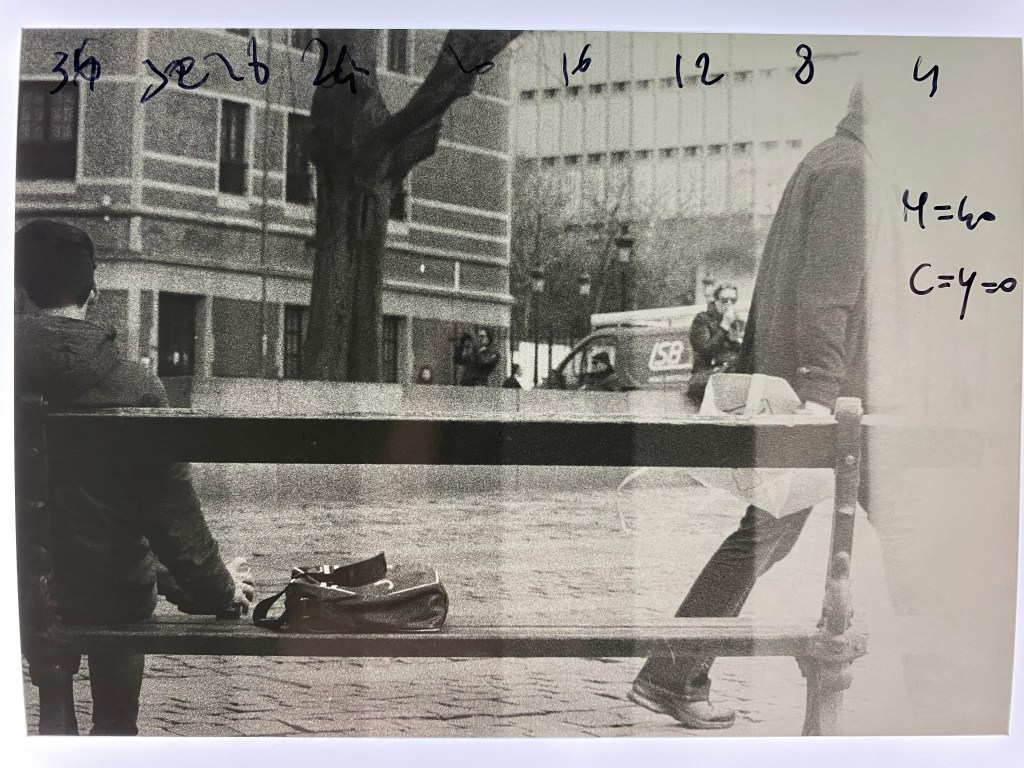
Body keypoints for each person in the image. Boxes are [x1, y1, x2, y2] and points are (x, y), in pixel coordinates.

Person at [629, 84, 910, 729]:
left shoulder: (829, 161)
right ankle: (946, 681)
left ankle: (671, 672)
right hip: (834, 405)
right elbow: (826, 296)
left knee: (766, 537)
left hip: (821, 397)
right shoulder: (853, 173)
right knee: (906, 531)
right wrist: (819, 397)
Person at [14, 219, 255, 736]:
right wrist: (220, 589)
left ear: (23, 289)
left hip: (19, 591)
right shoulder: (135, 385)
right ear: (94, 292)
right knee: (119, 577)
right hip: (110, 592)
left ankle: (55, 715)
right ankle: (115, 727)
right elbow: (171, 515)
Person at [686, 284, 745, 405]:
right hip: (705, 374)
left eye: (733, 300)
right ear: (716, 301)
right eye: (724, 300)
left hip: (730, 372)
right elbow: (705, 349)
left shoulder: (736, 322)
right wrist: (724, 327)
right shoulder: (702, 319)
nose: (729, 304)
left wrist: (741, 335)